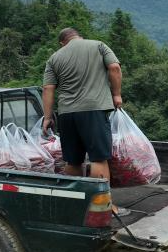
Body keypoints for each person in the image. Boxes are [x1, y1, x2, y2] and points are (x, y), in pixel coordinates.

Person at [41, 28, 123, 208]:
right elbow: (115, 67)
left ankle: (75, 205)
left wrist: (47, 117)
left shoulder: (54, 58)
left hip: (66, 114)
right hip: (94, 109)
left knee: (73, 160)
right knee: (98, 158)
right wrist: (116, 94)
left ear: (62, 43)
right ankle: (101, 207)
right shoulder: (98, 46)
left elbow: (47, 88)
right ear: (79, 36)